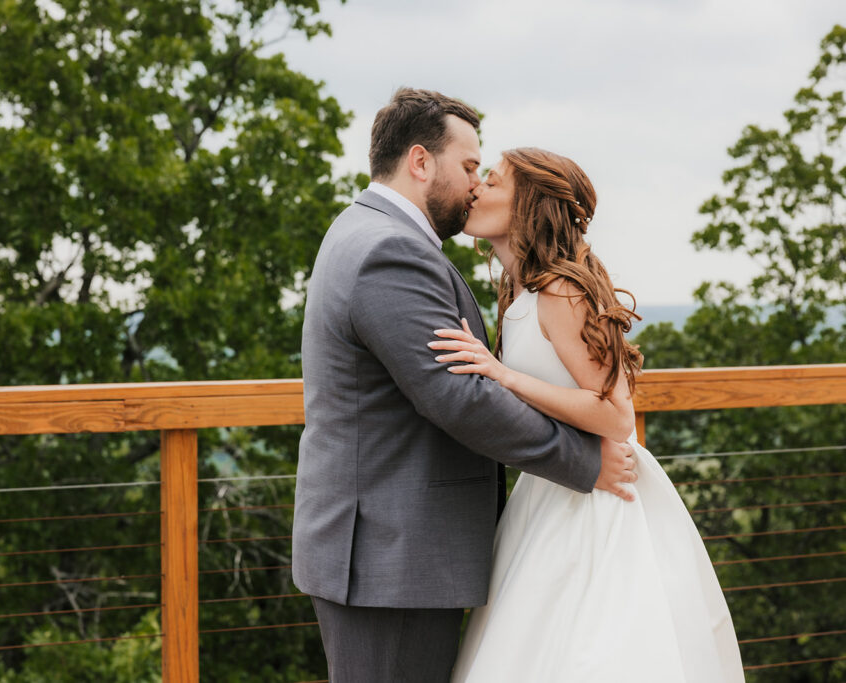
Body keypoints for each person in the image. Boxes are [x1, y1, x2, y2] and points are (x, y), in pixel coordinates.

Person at [291, 88, 638, 683]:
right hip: (390, 559)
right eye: (471, 167)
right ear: (421, 162)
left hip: (396, 552)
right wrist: (585, 462)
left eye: (486, 174)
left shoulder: (364, 230)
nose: (475, 184)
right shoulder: (390, 251)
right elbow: (458, 398)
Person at [429, 147, 745, 682]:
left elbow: (616, 414)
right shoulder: (519, 293)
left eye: (495, 180)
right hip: (549, 490)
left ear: (528, 204)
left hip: (597, 500)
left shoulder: (561, 290)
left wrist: (502, 376)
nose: (477, 188)